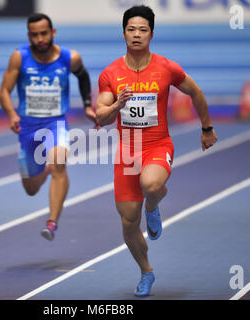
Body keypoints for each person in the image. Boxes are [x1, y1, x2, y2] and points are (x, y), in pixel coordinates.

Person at [96, 5, 217, 296]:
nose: (136, 35)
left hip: (157, 144)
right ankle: (146, 271)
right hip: (128, 152)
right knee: (127, 223)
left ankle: (153, 203)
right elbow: (100, 117)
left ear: (152, 34)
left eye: (143, 30)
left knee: (150, 184)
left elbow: (195, 92)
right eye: (131, 29)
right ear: (123, 33)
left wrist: (206, 128)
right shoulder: (110, 73)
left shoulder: (166, 67)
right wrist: (116, 105)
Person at [0, 13, 96, 241]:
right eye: (35, 35)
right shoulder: (19, 57)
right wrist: (12, 114)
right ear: (28, 36)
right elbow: (4, 91)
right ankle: (44, 170)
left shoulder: (69, 58)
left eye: (44, 33)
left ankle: (52, 222)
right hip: (28, 127)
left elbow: (83, 77)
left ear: (53, 33)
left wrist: (88, 105)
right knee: (31, 189)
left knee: (60, 163)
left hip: (56, 122)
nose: (40, 39)